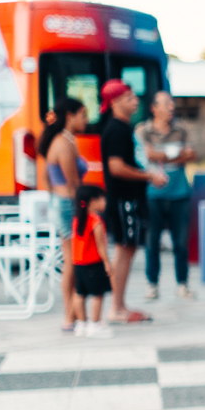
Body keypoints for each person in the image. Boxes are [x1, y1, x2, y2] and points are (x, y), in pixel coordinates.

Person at [99, 80, 165, 323]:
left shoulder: (124, 128)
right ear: (115, 102)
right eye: (129, 98)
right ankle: (117, 308)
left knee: (127, 250)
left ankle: (119, 305)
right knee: (124, 252)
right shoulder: (115, 129)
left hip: (130, 198)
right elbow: (116, 167)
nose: (136, 101)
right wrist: (149, 176)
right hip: (124, 199)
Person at [136, 90, 196, 301]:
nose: (171, 108)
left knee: (181, 243)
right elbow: (147, 155)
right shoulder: (143, 131)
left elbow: (191, 154)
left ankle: (183, 284)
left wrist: (161, 155)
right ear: (154, 108)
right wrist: (175, 155)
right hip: (153, 195)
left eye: (172, 104)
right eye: (166, 104)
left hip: (180, 194)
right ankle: (152, 284)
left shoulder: (181, 130)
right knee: (152, 242)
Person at [40, 98, 89, 332]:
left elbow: (46, 179)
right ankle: (70, 316)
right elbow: (74, 184)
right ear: (70, 116)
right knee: (72, 261)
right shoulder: (64, 143)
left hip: (60, 203)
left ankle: (73, 314)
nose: (86, 120)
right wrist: (83, 210)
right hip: (67, 204)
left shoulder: (64, 140)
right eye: (83, 115)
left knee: (71, 260)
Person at [70, 184, 114, 338]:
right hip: (93, 263)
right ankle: (94, 325)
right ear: (93, 201)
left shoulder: (77, 220)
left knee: (79, 293)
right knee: (98, 294)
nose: (105, 202)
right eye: (103, 199)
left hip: (78, 263)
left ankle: (81, 324)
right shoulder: (96, 221)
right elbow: (101, 246)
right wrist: (108, 263)